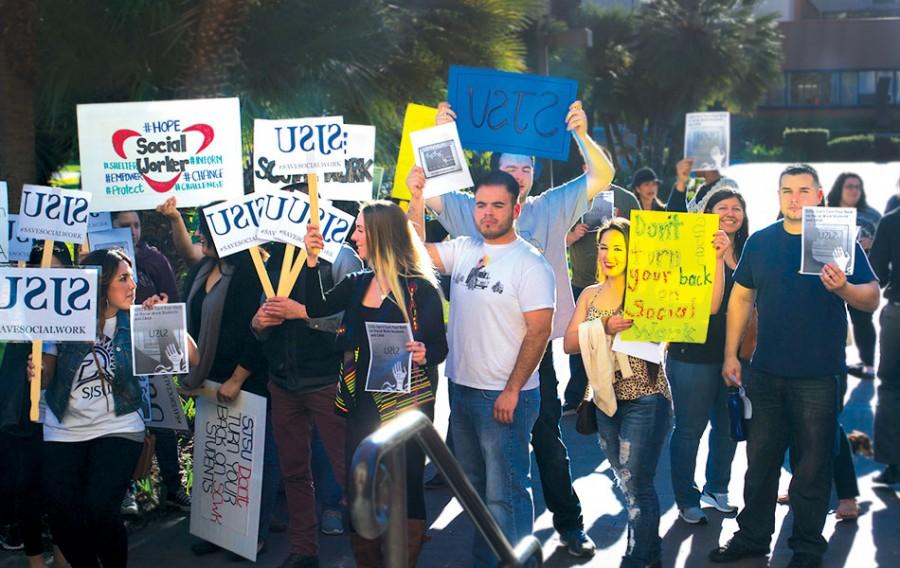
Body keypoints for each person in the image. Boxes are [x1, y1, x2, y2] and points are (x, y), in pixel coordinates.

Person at [406, 100, 614, 557]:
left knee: (543, 449)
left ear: (529, 183)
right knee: (480, 477)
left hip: (528, 364)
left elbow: (602, 175)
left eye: (525, 167)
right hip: (470, 373)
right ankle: (495, 549)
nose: (517, 174)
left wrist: (580, 132)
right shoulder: (467, 212)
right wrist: (438, 135)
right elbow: (416, 223)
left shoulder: (550, 207)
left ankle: (569, 525)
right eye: (509, 166)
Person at [711, 164, 879, 568]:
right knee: (760, 464)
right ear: (779, 195)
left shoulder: (836, 240)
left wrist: (844, 288)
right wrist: (731, 353)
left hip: (820, 375)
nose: (795, 197)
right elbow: (740, 299)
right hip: (765, 372)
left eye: (804, 190)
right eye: (787, 190)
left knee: (812, 467)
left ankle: (806, 547)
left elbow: (871, 297)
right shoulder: (762, 242)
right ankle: (752, 537)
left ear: (819, 195)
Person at [410, 171, 553, 566]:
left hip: (505, 397)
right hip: (462, 390)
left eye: (497, 205)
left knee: (504, 493)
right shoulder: (464, 248)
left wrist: (511, 390)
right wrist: (417, 197)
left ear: (516, 209)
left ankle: (515, 562)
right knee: (473, 491)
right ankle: (486, 560)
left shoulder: (530, 263)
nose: (487, 214)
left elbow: (539, 332)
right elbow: (413, 251)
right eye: (481, 205)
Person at [564, 218, 722, 568]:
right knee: (628, 484)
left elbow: (708, 306)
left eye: (617, 248)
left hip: (647, 398)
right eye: (604, 247)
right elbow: (569, 343)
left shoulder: (650, 289)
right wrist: (603, 326)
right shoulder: (590, 294)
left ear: (634, 253)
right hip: (604, 400)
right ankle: (649, 556)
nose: (607, 254)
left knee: (638, 485)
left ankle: (638, 558)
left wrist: (716, 260)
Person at [303, 201, 448, 568]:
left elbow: (440, 348)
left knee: (406, 487)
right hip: (361, 409)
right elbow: (315, 307)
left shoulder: (419, 290)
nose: (354, 237)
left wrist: (422, 352)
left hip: (405, 409)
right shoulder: (356, 284)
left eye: (361, 231)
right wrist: (311, 260)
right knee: (362, 491)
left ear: (382, 236)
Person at [36, 248, 196, 568]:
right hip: (63, 428)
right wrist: (36, 371)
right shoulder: (62, 318)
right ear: (99, 283)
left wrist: (165, 319)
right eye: (123, 278)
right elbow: (45, 377)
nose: (133, 285)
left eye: (132, 277)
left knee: (100, 509)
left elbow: (193, 359)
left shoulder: (137, 319)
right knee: (62, 515)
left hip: (119, 425)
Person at [251, 237, 362, 568]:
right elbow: (260, 325)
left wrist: (301, 314)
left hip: (327, 380)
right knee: (294, 471)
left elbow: (352, 320)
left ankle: (372, 551)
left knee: (350, 467)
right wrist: (258, 324)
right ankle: (303, 549)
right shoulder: (272, 262)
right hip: (283, 382)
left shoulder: (340, 257)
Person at [183, 212, 278, 559]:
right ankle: (216, 529)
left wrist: (238, 377)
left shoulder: (252, 273)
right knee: (215, 458)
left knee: (251, 463)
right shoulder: (201, 271)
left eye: (204, 229)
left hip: (247, 381)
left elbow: (260, 330)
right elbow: (187, 321)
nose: (198, 234)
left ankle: (252, 535)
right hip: (208, 378)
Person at [667, 188, 747, 525]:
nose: (730, 213)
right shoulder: (692, 247)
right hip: (693, 354)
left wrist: (729, 257)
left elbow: (753, 295)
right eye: (722, 207)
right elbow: (712, 306)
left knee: (729, 427)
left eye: (737, 208)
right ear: (708, 213)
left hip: (736, 357)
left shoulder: (749, 249)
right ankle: (686, 498)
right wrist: (717, 258)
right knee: (689, 429)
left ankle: (718, 488)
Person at [110, 210, 190, 512]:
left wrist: (164, 305)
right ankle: (124, 490)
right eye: (123, 225)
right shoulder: (103, 261)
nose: (132, 231)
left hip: (153, 346)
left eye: (136, 225)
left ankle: (173, 486)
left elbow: (174, 298)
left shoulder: (154, 259)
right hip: (116, 352)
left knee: (163, 421)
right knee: (122, 423)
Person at [0, 243, 74, 568]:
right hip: (25, 415)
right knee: (26, 486)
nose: (51, 281)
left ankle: (62, 556)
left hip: (67, 416)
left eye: (58, 274)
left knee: (61, 489)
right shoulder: (13, 310)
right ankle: (34, 560)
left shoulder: (80, 312)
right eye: (44, 272)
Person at [563, 183, 640, 413]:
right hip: (582, 282)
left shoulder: (627, 199)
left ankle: (622, 393)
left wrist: (619, 226)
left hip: (622, 284)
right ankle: (577, 396)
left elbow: (643, 238)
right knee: (583, 343)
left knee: (620, 341)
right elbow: (558, 238)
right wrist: (572, 236)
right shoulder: (574, 198)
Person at [825, 173, 881, 379]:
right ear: (840, 188)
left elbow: (885, 244)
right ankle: (832, 360)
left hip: (860, 275)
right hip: (829, 274)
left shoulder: (873, 216)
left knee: (863, 320)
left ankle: (868, 364)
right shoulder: (826, 212)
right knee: (831, 319)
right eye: (849, 186)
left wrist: (871, 243)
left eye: (857, 186)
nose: (853, 190)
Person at [869, 207, 900, 485]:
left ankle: (893, 463)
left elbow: (875, 272)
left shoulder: (891, 220)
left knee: (890, 386)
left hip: (898, 312)